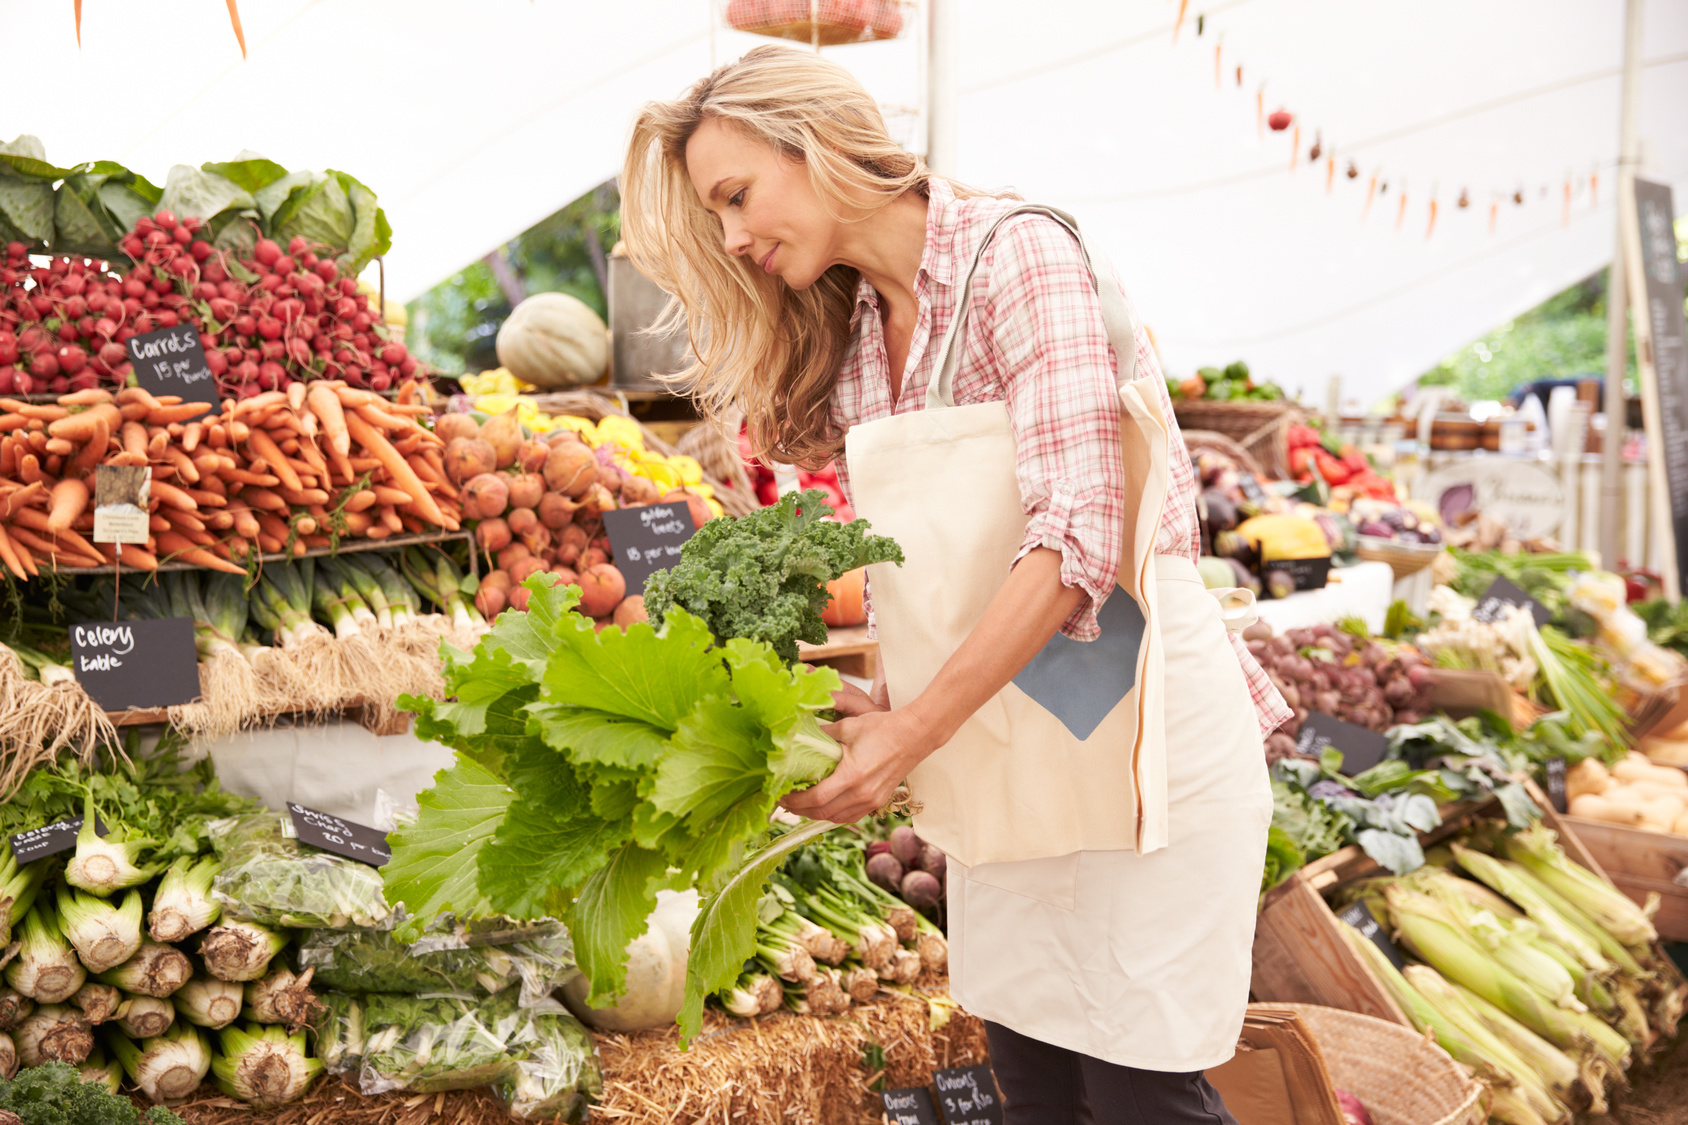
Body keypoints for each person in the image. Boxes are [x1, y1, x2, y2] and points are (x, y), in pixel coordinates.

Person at [621, 45, 1290, 1125]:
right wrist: (885, 708)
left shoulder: (1016, 254)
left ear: (819, 145)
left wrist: (913, 729)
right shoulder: (857, 347)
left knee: (1136, 1090)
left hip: (1131, 731)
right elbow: (932, 567)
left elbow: (1075, 544)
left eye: (737, 198)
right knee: (1032, 1086)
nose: (735, 238)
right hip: (1005, 744)